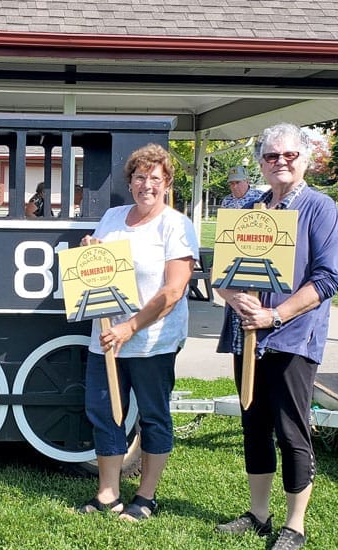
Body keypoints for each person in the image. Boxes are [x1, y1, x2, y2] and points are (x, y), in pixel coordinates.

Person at [215, 123, 338, 550]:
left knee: (292, 431)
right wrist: (237, 302)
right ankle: (258, 514)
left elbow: (326, 280)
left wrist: (275, 314)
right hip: (246, 337)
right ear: (261, 163)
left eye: (289, 155)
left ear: (305, 159)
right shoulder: (249, 207)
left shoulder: (319, 208)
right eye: (272, 156)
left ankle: (294, 525)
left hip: (293, 338)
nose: (281, 162)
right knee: (254, 426)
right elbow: (224, 272)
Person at [77, 143, 198, 521]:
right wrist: (89, 250)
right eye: (140, 177)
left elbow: (174, 289)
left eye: (155, 179)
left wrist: (132, 326)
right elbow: (98, 265)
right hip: (108, 337)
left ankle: (145, 497)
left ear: (167, 184)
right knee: (103, 412)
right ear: (130, 182)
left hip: (151, 340)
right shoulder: (112, 217)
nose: (147, 184)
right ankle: (108, 493)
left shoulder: (176, 225)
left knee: (153, 415)